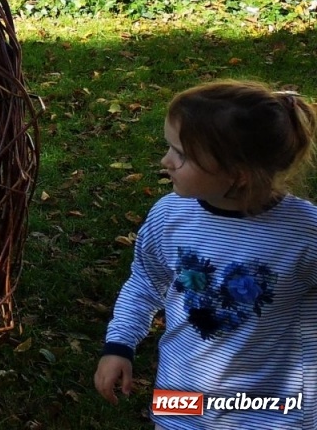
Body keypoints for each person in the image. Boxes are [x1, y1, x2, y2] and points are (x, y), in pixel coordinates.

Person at [94, 80, 317, 426]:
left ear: (238, 175)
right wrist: (119, 344)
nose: (165, 160)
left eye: (181, 154)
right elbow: (145, 283)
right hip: (181, 396)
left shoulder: (304, 232)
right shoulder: (170, 215)